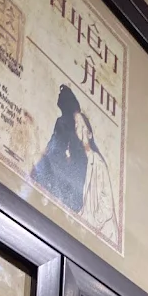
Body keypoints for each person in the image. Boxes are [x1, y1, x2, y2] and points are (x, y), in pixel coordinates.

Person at [32, 85, 87, 213]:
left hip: (66, 169)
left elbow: (58, 147)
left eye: (60, 95)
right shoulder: (62, 121)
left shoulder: (67, 122)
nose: (58, 97)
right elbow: (53, 144)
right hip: (61, 163)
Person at [75, 111, 118, 244]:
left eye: (82, 126)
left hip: (104, 234)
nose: (79, 130)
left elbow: (107, 205)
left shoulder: (97, 162)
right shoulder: (76, 161)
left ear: (90, 134)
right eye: (76, 126)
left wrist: (91, 221)